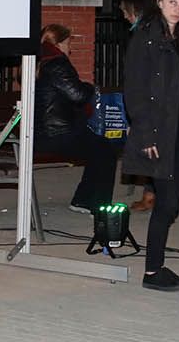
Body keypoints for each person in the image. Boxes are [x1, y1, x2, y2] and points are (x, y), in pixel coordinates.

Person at [122, 0, 179, 291]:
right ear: (159, 2)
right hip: (159, 132)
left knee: (171, 204)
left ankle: (158, 266)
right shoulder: (145, 38)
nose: (178, 8)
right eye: (172, 1)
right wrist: (146, 134)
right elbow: (135, 89)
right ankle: (152, 272)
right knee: (165, 203)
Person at [35, 24, 119, 214]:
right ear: (59, 44)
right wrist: (90, 87)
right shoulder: (57, 63)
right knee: (106, 149)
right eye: (68, 43)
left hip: (41, 133)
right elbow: (78, 95)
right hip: (57, 133)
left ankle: (82, 200)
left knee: (97, 146)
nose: (70, 48)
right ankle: (98, 206)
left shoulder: (38, 62)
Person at [116, 0, 158, 213]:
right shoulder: (146, 30)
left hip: (149, 99)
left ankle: (151, 195)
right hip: (148, 97)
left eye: (125, 11)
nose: (124, 16)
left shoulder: (145, 32)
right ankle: (150, 193)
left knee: (150, 146)